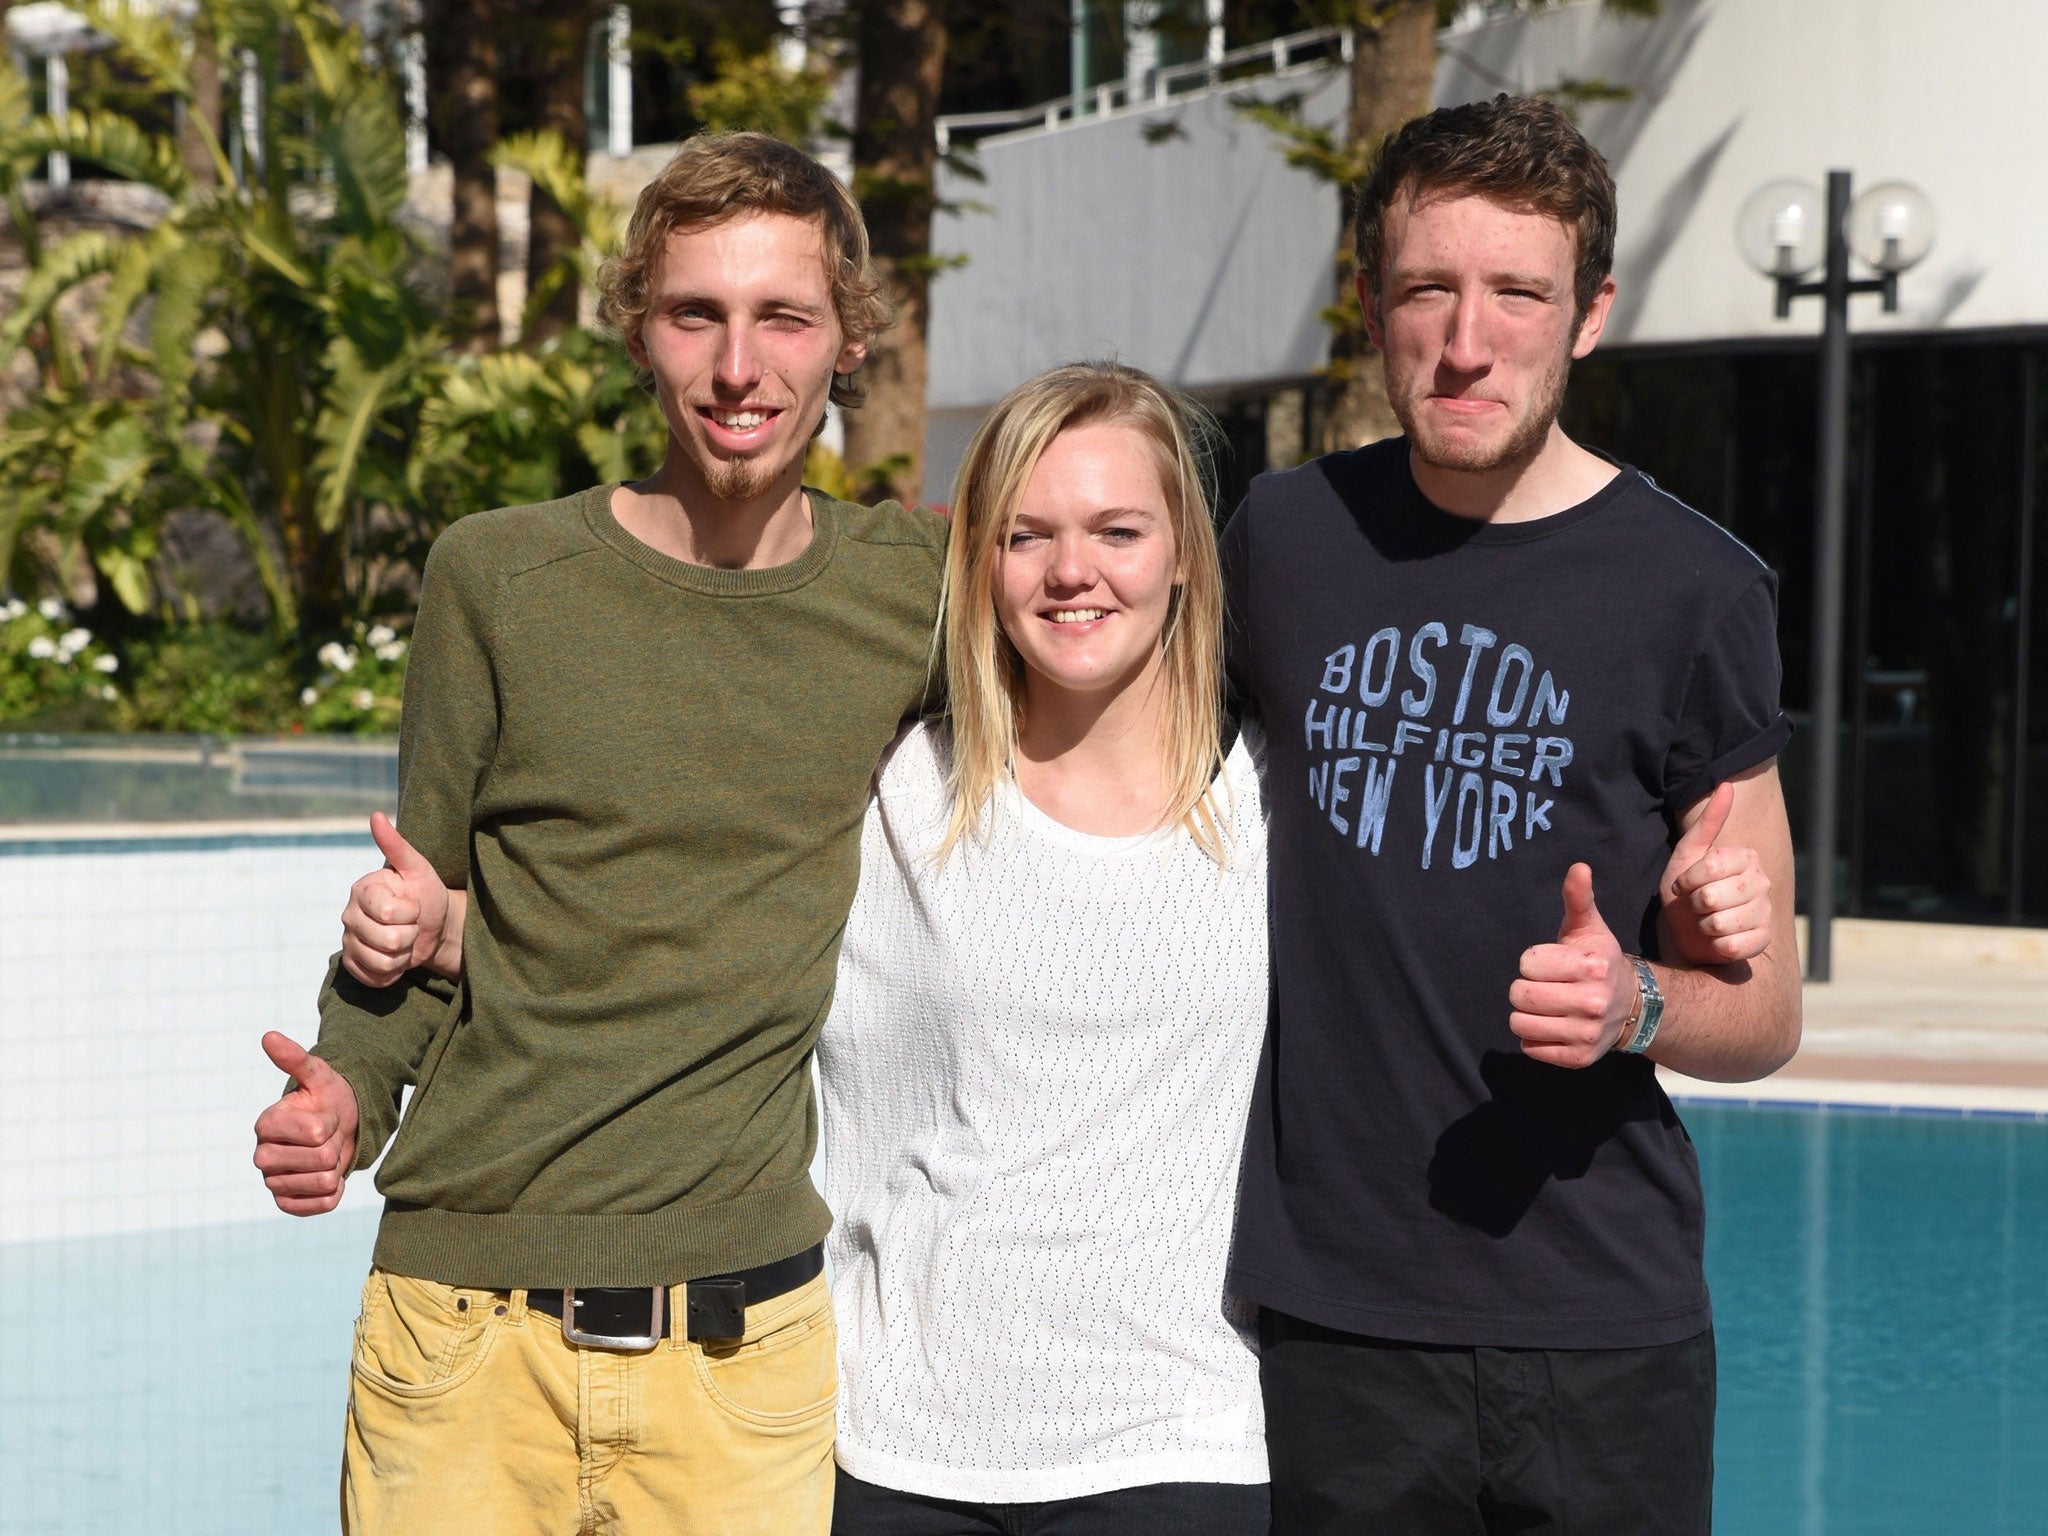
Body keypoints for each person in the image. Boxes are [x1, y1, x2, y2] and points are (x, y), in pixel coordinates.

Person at [334, 358, 1777, 1535]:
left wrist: (1682, 931)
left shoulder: (1281, 798)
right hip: (898, 1451)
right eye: (1027, 532)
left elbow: (1475, 880)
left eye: (1117, 531)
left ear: (1186, 563)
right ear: (981, 561)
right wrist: (466, 926)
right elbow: (679, 904)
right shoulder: (895, 788)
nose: (1071, 571)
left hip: (1182, 1444)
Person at [249, 131, 947, 1536]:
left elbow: (1134, 661)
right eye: (696, 315)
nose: (738, 368)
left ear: (851, 339)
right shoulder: (498, 574)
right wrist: (340, 1091)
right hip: (459, 1334)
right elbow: (421, 905)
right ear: (641, 328)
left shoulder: (915, 590)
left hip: (743, 1357)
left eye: (783, 319)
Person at [1220, 95, 1801, 1533]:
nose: (1467, 342)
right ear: (1373, 305)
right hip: (1333, 1326)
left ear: (1590, 314)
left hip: (1603, 1330)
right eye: (1429, 289)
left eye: (1518, 295)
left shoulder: (1697, 590)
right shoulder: (1278, 542)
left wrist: (1639, 1004)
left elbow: (1767, 1012)